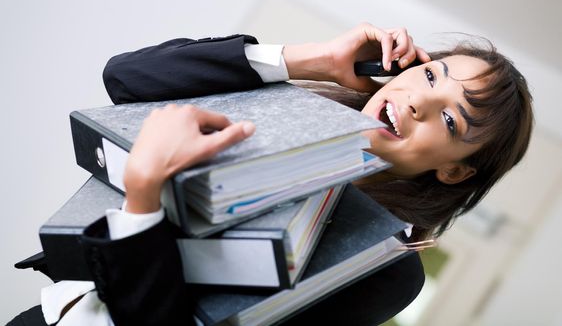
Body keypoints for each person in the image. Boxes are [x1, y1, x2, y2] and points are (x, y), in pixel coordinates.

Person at [9, 23, 533, 326]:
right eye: (428, 74)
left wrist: (144, 199)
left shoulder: (386, 271)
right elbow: (125, 77)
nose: (417, 101)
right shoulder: (285, 117)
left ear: (455, 170)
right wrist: (316, 59)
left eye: (448, 118)